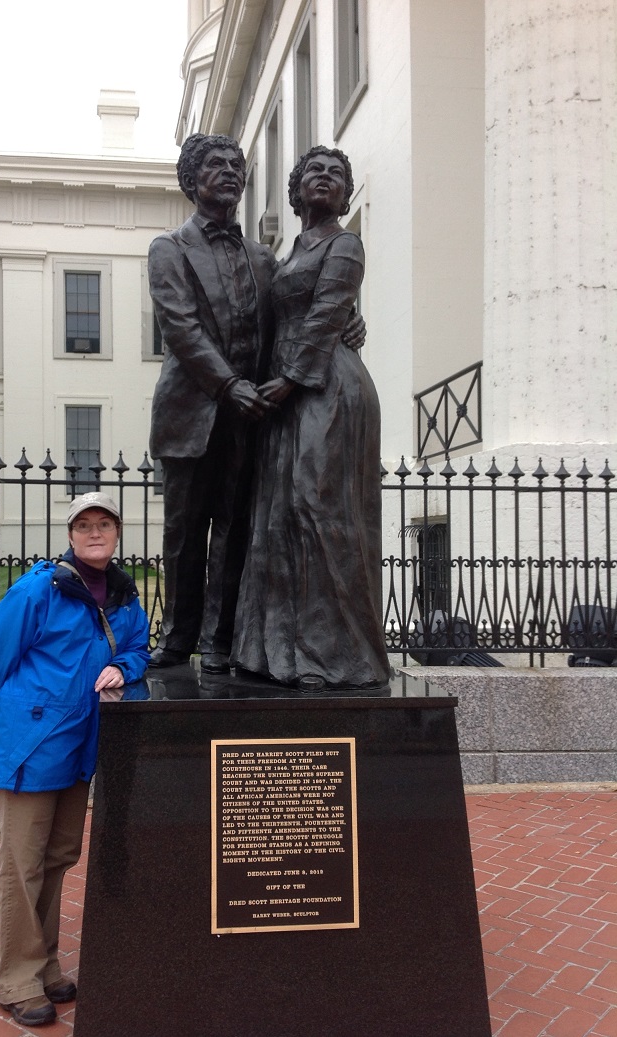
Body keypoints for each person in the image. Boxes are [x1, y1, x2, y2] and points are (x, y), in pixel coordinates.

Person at [148, 133, 364, 676]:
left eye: (235, 165)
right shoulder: (168, 248)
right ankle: (177, 638)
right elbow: (181, 328)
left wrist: (350, 320)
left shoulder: (266, 258)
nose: (229, 171)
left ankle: (220, 641)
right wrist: (227, 386)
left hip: (254, 417)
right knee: (184, 534)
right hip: (194, 410)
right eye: (215, 164)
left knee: (235, 532)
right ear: (191, 179)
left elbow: (298, 308)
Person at [0, 491, 150, 1027]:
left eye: (104, 524)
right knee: (22, 863)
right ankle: (16, 978)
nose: (95, 533)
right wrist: (17, 719)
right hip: (33, 744)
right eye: (84, 525)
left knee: (59, 856)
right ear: (70, 534)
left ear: (117, 532)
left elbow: (138, 647)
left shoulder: (123, 595)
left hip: (81, 745)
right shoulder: (39, 589)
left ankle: (45, 963)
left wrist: (124, 667)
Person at [231, 146, 391, 691]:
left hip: (327, 389)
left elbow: (326, 314)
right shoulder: (291, 253)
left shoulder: (346, 244)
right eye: (315, 172)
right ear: (297, 191)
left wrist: (290, 380)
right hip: (288, 395)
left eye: (337, 174)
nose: (325, 178)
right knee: (279, 517)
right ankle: (277, 652)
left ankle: (338, 655)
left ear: (345, 195)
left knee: (319, 507)